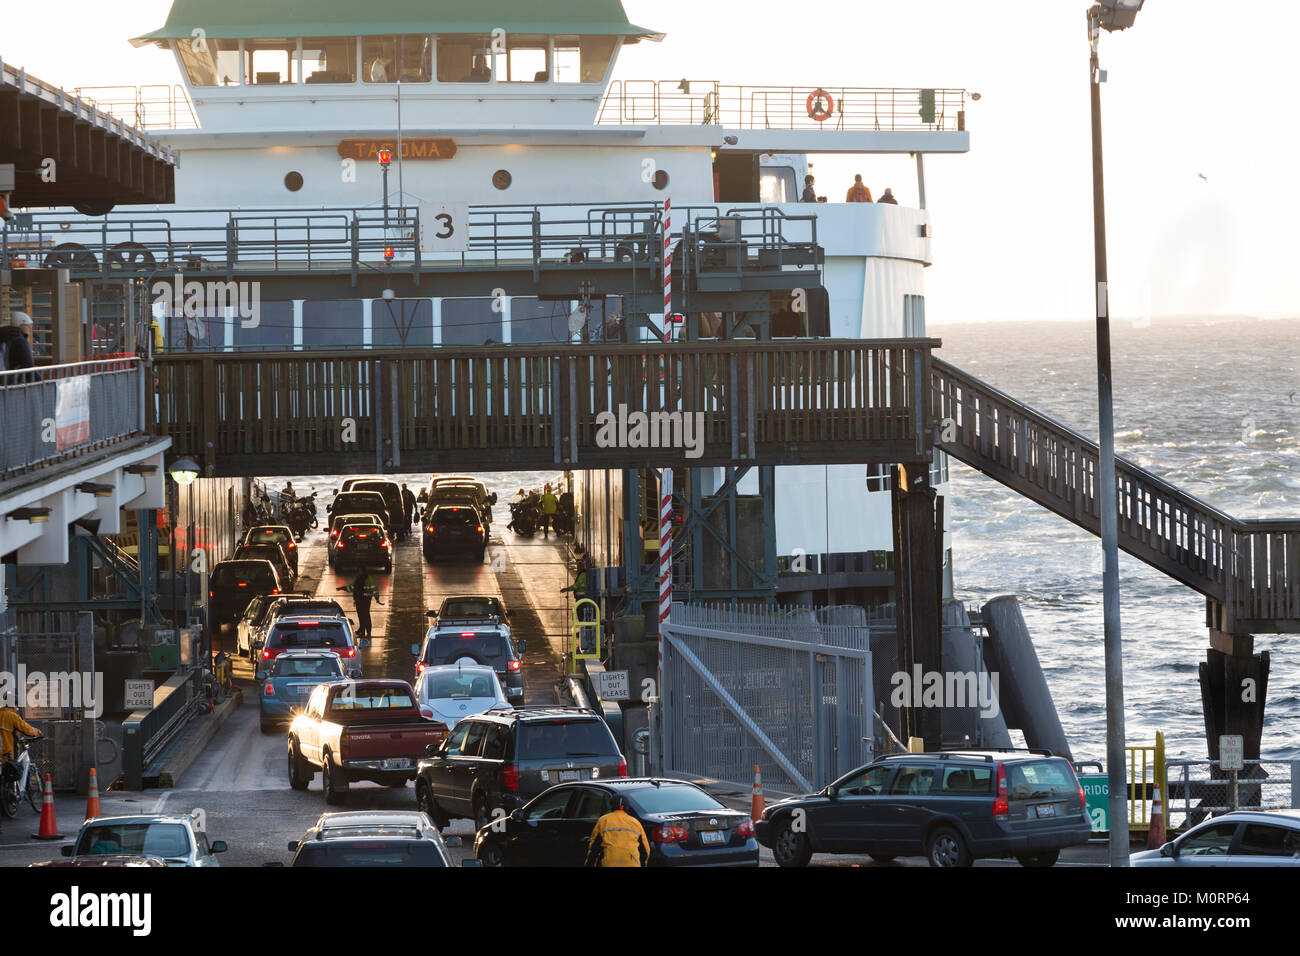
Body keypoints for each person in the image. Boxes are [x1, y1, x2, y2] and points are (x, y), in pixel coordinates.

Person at [584, 796, 650, 867]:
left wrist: (589, 864)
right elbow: (645, 850)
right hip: (632, 863)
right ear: (627, 807)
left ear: (611, 806)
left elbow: (594, 848)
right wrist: (643, 864)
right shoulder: (635, 822)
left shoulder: (603, 821)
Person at [339, 570, 382, 644]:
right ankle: (366, 630)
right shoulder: (369, 578)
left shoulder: (359, 579)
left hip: (360, 599)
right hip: (366, 599)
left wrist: (343, 588)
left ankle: (362, 630)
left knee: (361, 614)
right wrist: (377, 598)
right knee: (365, 614)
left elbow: (352, 588)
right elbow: (374, 589)